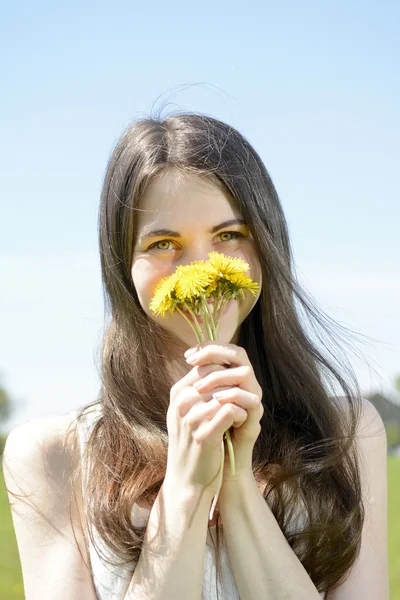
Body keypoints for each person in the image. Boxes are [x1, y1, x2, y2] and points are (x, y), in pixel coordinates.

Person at [3, 113, 389, 600]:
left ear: (267, 245)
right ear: (123, 266)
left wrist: (236, 482)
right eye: (163, 243)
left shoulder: (349, 432)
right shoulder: (52, 456)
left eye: (229, 236)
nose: (201, 268)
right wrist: (184, 490)